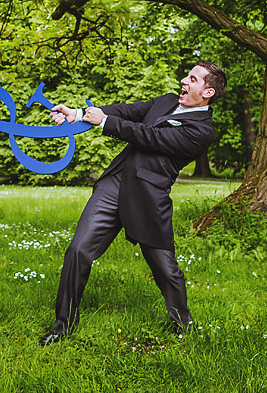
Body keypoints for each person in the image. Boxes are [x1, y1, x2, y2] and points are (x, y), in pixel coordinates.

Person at [40, 61, 227, 345]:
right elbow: (129, 111)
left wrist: (103, 123)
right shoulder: (166, 101)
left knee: (165, 268)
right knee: (78, 250)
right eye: (186, 76)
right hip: (114, 184)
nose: (183, 80)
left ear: (208, 91)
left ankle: (183, 324)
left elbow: (151, 137)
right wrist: (79, 114)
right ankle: (62, 324)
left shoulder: (202, 130)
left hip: (148, 198)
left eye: (192, 78)